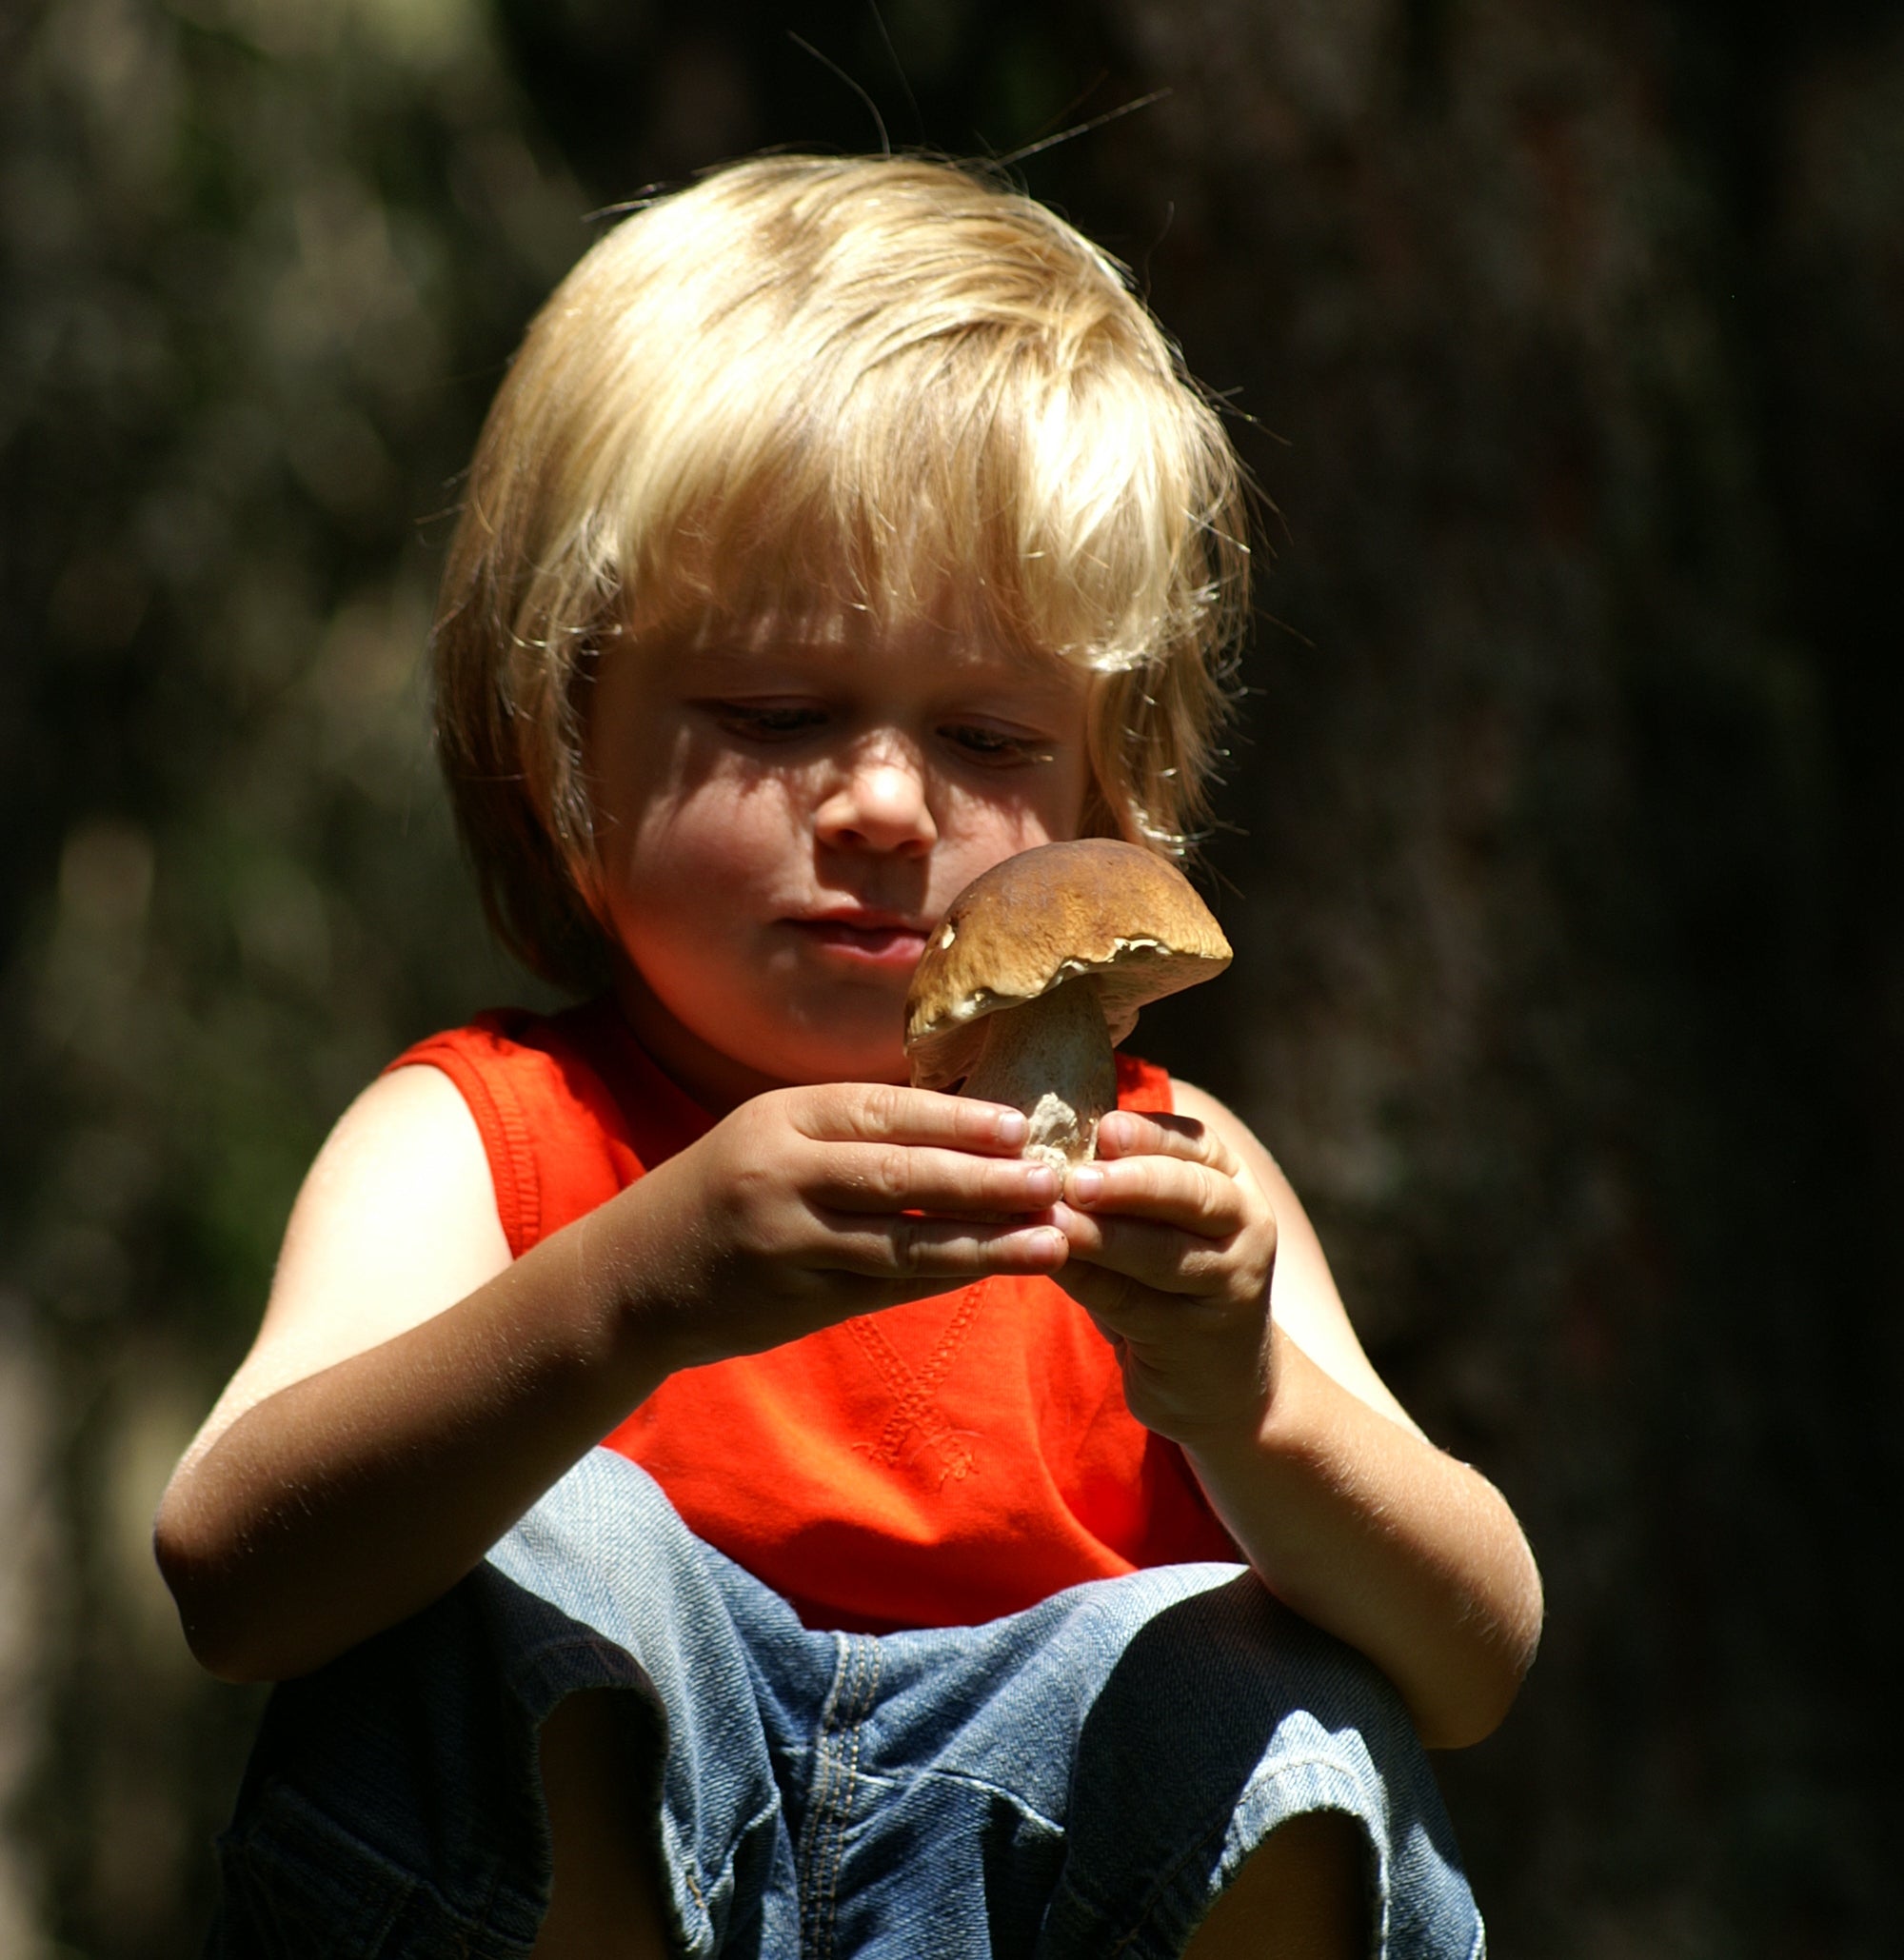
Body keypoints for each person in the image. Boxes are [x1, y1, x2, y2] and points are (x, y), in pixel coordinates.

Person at [155, 154, 1543, 1960]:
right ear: (564, 741)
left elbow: (1476, 1656)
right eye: (778, 715)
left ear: (1101, 789)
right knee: (540, 1568)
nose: (884, 804)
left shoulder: (1163, 1160)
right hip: (607, 1870)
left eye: (983, 733)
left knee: (1280, 1706)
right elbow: (233, 1574)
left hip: (1042, 1880)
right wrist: (637, 1290)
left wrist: (1244, 1396)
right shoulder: (477, 1136)